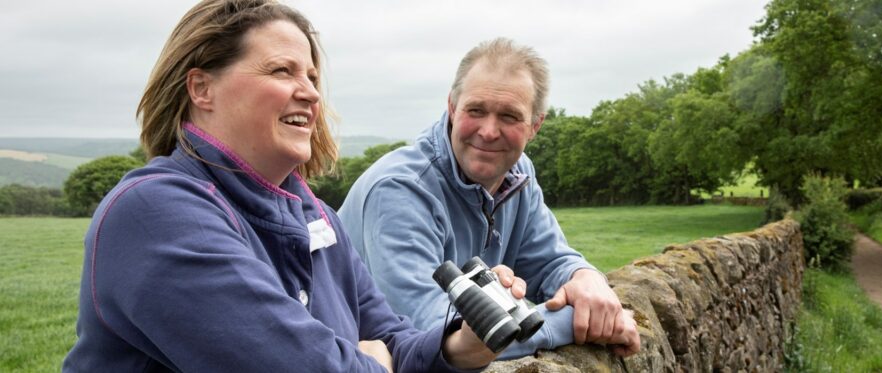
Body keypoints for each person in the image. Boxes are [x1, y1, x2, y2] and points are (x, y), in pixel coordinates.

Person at [62, 1, 498, 371]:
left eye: (311, 76)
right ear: (201, 88)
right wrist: (372, 361)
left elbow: (389, 336)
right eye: (281, 70)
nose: (310, 93)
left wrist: (456, 346)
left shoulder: (317, 215)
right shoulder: (154, 212)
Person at [338, 38, 641, 359]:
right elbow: (433, 329)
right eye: (476, 110)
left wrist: (586, 279)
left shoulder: (517, 173)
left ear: (535, 125)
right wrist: (572, 322)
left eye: (509, 116)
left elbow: (549, 261)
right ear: (452, 107)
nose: (489, 131)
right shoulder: (400, 190)